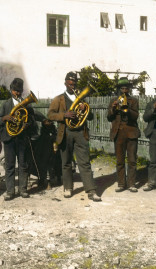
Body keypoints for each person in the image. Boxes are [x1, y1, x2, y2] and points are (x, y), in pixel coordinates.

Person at [47, 71, 101, 202]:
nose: (72, 85)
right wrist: (64, 115)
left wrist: (85, 109)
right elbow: (50, 115)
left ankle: (91, 190)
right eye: (70, 82)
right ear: (65, 83)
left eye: (74, 82)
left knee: (84, 162)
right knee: (66, 162)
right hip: (65, 133)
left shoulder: (82, 99)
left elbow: (91, 116)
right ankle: (68, 188)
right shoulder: (58, 99)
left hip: (80, 133)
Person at [0, 78, 44, 201]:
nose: (17, 93)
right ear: (11, 90)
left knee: (23, 165)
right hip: (9, 139)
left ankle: (23, 189)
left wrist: (28, 124)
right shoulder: (6, 104)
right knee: (10, 166)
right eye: (15, 91)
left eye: (19, 91)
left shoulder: (26, 104)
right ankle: (10, 191)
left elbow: (32, 119)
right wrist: (5, 118)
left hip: (22, 138)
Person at [107, 77, 141, 193]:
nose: (124, 90)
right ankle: (121, 184)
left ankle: (132, 184)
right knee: (120, 160)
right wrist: (113, 108)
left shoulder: (134, 101)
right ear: (119, 89)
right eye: (122, 88)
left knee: (132, 160)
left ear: (129, 89)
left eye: (126, 88)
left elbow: (136, 116)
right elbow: (109, 117)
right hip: (119, 133)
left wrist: (127, 108)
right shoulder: (113, 100)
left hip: (131, 133)